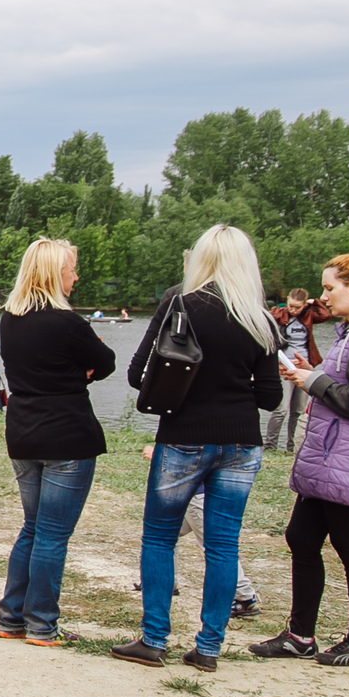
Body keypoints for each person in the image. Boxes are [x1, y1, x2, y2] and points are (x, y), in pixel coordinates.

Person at [112, 225, 282, 673]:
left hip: (184, 435)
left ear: (201, 259)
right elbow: (271, 397)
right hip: (241, 441)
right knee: (223, 545)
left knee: (159, 536)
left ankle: (154, 639)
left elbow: (137, 374)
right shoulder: (260, 318)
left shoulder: (180, 306)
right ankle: (208, 647)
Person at [251, 244, 349, 668]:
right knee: (301, 538)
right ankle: (300, 636)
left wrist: (313, 382)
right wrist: (310, 372)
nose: (323, 297)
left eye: (329, 288)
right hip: (329, 457)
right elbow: (342, 384)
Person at [0, 238, 116, 647]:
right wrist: (81, 371)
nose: (75, 277)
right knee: (52, 534)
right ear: (52, 274)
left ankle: (11, 616)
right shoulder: (69, 323)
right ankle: (42, 624)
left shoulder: (10, 319)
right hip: (66, 433)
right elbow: (107, 362)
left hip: (23, 430)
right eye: (70, 270)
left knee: (32, 528)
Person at [135, 441, 259, 615]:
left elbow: (196, 452)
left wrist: (159, 455)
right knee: (168, 536)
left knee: (217, 547)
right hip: (199, 493)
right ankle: (164, 581)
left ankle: (244, 596)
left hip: (198, 495)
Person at [264, 288, 331, 453]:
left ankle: (292, 447)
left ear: (304, 305)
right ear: (287, 301)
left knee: (299, 410)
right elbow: (266, 319)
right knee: (282, 409)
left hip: (304, 366)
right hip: (284, 366)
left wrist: (315, 302)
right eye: (291, 306)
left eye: (298, 307)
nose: (293, 310)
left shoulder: (309, 316)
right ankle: (270, 445)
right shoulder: (280, 314)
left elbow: (325, 315)